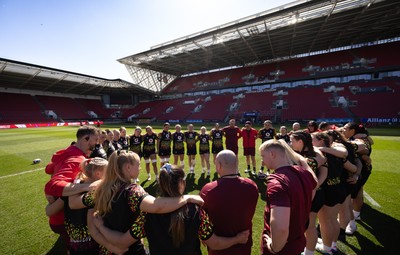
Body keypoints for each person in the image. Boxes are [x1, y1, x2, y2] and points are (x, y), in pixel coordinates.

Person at [87, 151, 204, 254]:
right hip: (130, 250)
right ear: (128, 167)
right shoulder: (132, 191)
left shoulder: (99, 188)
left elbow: (91, 223)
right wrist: (186, 198)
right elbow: (156, 206)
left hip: (107, 250)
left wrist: (109, 245)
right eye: (138, 165)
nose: (140, 168)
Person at [44, 125, 99, 253]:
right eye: (95, 140)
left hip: (57, 218)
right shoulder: (77, 160)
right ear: (86, 138)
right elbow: (52, 185)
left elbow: (48, 168)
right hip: (65, 219)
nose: (96, 145)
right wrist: (87, 186)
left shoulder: (67, 152)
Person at [259, 139, 317, 255]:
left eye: (263, 156)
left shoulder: (277, 182)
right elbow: (314, 183)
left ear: (272, 154)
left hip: (283, 248)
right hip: (298, 240)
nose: (262, 161)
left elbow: (281, 228)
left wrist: (274, 247)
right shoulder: (303, 172)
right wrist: (302, 160)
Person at [200, 150, 259, 255]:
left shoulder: (208, 190)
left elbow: (202, 219)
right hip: (244, 246)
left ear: (219, 165)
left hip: (218, 248)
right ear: (236, 164)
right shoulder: (251, 186)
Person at [58, 157, 108, 255]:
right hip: (89, 245)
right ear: (98, 174)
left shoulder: (76, 185)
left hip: (74, 242)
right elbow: (92, 228)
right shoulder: (93, 194)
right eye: (108, 172)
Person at [290, 131, 327, 255]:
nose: (290, 143)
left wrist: (314, 187)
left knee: (309, 226)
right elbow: (324, 172)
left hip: (311, 196)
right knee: (307, 225)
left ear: (300, 142)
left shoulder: (307, 157)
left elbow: (323, 170)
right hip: (311, 193)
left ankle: (309, 252)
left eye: (292, 141)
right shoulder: (315, 153)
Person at [312, 132, 348, 254]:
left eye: (313, 140)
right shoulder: (335, 150)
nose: (311, 142)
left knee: (325, 221)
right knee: (333, 219)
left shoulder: (321, 154)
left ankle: (327, 248)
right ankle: (332, 245)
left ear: (321, 141)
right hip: (338, 187)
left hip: (328, 189)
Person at [342, 123, 373, 235]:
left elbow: (364, 151)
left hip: (361, 169)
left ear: (353, 130)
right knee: (357, 192)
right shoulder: (361, 137)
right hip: (360, 168)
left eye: (345, 128)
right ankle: (355, 216)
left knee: (354, 193)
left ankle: (353, 218)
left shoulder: (359, 140)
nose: (343, 130)